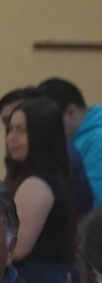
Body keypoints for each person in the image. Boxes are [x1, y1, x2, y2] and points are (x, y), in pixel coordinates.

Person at [4, 97, 78, 283]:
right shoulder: (42, 177)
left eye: (22, 130)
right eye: (10, 129)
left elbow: (16, 248)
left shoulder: (37, 184)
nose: (11, 137)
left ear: (43, 136)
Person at [0, 86, 92, 214]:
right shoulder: (21, 165)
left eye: (21, 128)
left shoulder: (39, 182)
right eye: (9, 125)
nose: (11, 136)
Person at [37, 77, 102, 209]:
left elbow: (96, 203)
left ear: (70, 112)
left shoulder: (98, 140)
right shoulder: (72, 137)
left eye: (50, 120)